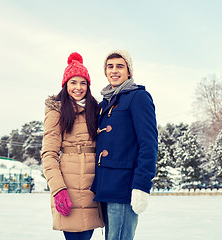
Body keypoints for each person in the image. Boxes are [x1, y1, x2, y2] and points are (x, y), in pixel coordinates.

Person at [91, 50, 158, 240]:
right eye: (110, 66)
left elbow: (149, 144)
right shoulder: (106, 103)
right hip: (106, 186)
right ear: (105, 72)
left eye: (120, 66)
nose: (114, 70)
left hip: (124, 186)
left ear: (129, 72)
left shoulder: (138, 97)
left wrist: (141, 185)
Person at [41, 52, 104, 240]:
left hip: (92, 186)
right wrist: (58, 189)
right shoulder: (57, 111)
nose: (78, 88)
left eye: (83, 83)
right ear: (65, 85)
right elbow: (49, 154)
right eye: (73, 82)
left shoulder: (96, 110)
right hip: (68, 186)